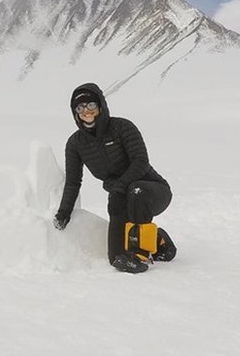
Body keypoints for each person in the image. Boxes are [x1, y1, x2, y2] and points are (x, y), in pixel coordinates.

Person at [53, 83, 176, 273]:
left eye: (91, 105)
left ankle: (140, 253)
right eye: (80, 107)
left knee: (136, 191)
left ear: (101, 105)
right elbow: (73, 181)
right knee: (115, 257)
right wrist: (63, 213)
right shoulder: (75, 143)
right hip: (120, 197)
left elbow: (141, 161)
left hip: (153, 191)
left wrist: (120, 185)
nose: (86, 111)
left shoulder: (122, 127)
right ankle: (158, 243)